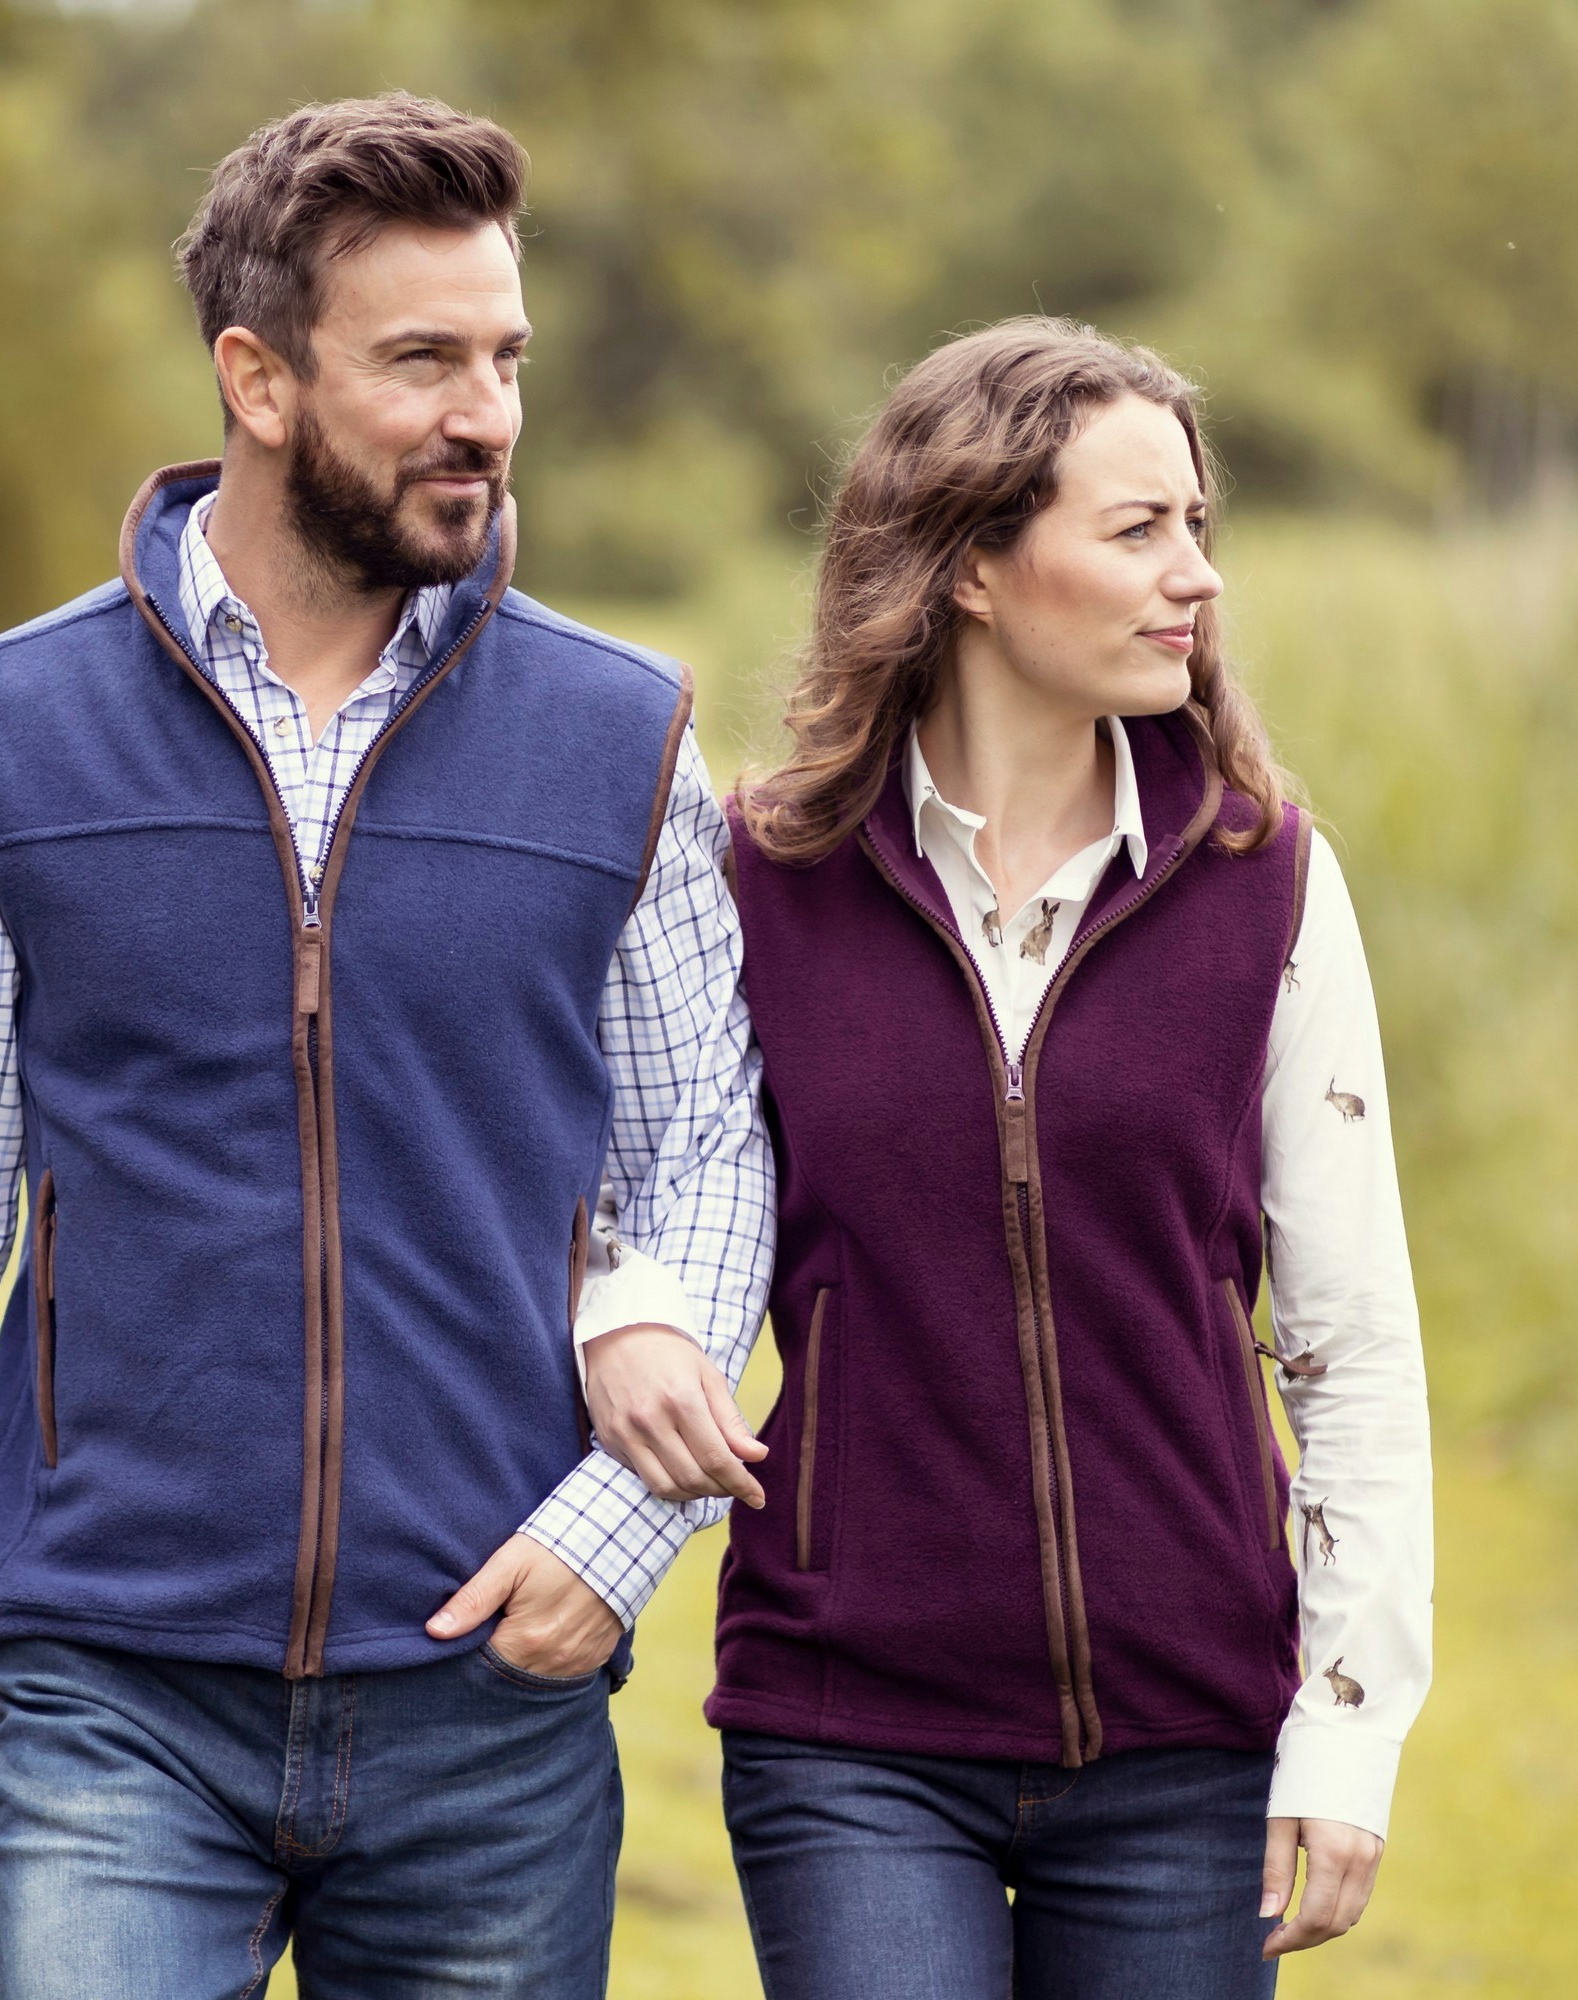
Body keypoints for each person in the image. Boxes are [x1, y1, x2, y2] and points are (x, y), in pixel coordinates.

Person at [0, 94, 776, 1998]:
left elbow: (713, 1149)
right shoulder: (6, 724)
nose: (485, 411)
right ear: (256, 377)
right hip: (116, 1695)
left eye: (505, 358)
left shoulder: (620, 730)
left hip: (493, 1692)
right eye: (420, 360)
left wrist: (622, 1528)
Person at [596, 318, 1434, 1998]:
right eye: (1137, 531)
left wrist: (1345, 1732)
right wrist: (610, 1293)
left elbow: (1349, 1343)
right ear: (970, 564)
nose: (1194, 576)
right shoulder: (757, 878)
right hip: (850, 1731)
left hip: (1187, 1742)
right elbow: (609, 1178)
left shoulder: (1266, 883)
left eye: (1199, 527)